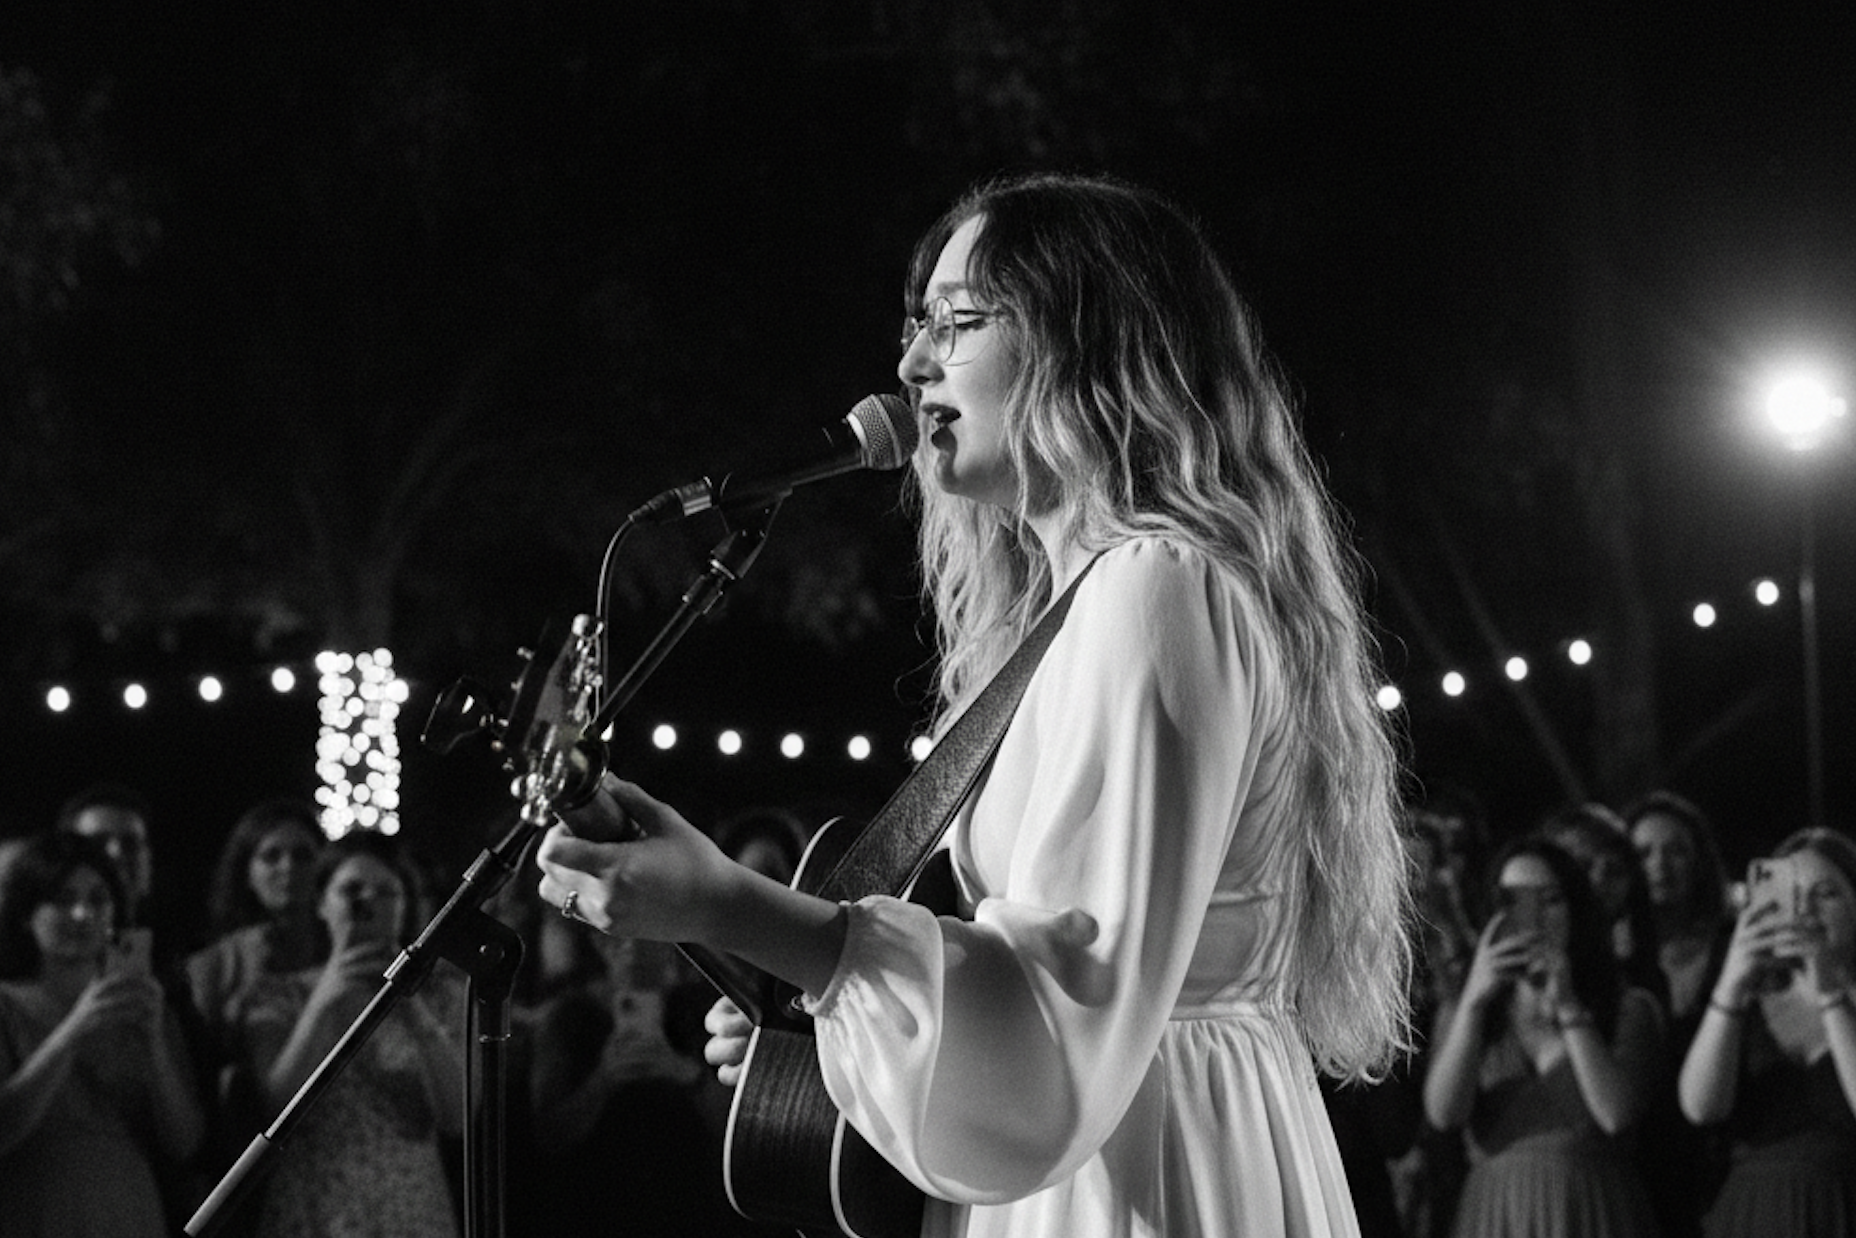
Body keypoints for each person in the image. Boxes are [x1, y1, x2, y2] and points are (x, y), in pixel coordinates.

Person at [535, 171, 1414, 1236]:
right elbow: (1031, 986)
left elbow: (1057, 1013)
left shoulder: (1152, 588)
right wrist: (824, 1001)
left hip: (1143, 1168)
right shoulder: (1093, 601)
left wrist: (733, 907)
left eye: (957, 321)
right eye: (916, 324)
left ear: (1085, 346)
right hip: (1117, 1146)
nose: (909, 364)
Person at [1422, 836, 1665, 1237]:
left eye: (1549, 899)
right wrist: (1473, 1003)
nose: (1532, 917)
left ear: (1576, 910)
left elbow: (1617, 1114)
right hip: (1499, 1215)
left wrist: (1567, 1005)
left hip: (1591, 1213)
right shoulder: (1469, 1010)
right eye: (1511, 901)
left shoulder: (1627, 1007)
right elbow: (1444, 1114)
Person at [236, 829, 464, 1238]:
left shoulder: (442, 996)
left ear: (405, 905)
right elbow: (275, 1108)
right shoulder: (277, 996)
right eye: (352, 890)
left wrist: (410, 1006)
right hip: (314, 1208)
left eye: (386, 892)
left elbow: (458, 1119)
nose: (368, 903)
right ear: (322, 903)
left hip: (409, 1209)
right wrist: (326, 998)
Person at [0, 831, 205, 1236]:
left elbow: (185, 1143)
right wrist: (74, 1029)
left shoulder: (143, 1006)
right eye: (62, 899)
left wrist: (154, 1046)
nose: (82, 914)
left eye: (98, 899)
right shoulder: (8, 1005)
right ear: (26, 914)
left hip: (129, 1212)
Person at [1678, 827, 1856, 1237]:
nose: (1806, 909)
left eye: (1826, 893)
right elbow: (1701, 1107)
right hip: (1752, 1213)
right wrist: (1733, 981)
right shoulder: (1749, 1002)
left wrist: (1830, 991)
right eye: (1793, 893)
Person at [1541, 803, 1668, 1010]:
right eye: (1582, 866)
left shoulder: (1641, 980)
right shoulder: (1515, 966)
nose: (1597, 881)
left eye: (1615, 871)